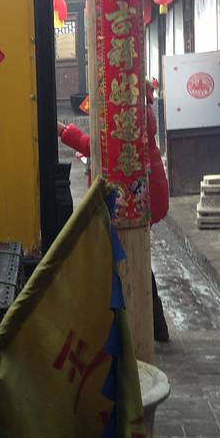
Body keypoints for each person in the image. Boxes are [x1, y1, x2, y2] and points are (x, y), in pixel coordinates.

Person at [57, 79, 170, 342]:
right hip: (142, 193)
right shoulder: (141, 109)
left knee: (128, 257)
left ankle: (140, 325)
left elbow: (104, 149)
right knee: (133, 255)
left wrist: (65, 132)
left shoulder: (133, 113)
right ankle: (153, 324)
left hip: (135, 196)